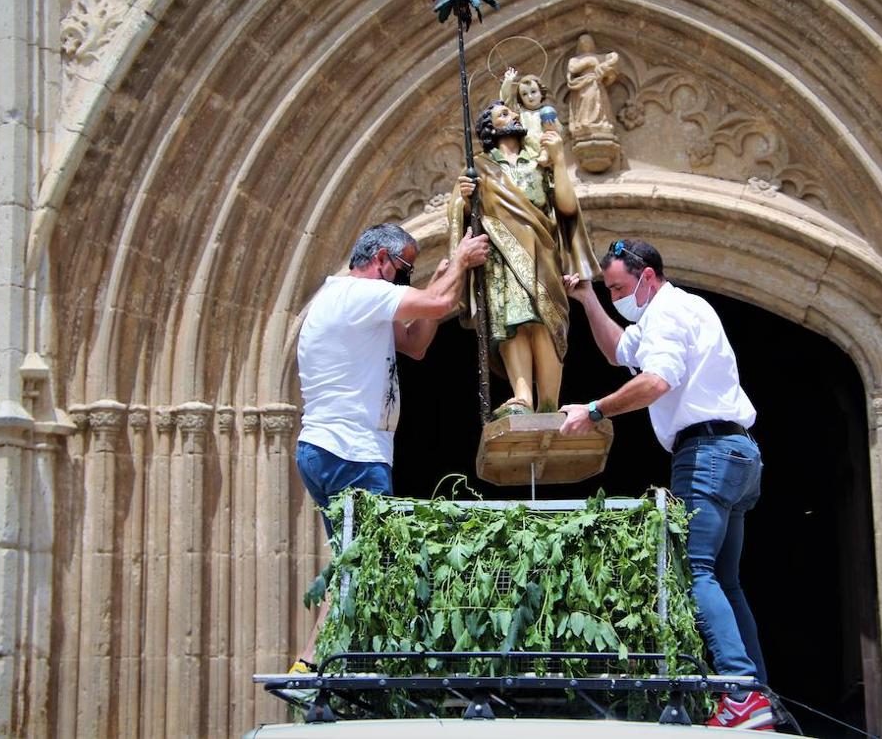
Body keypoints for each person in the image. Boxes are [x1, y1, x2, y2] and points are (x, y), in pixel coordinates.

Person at [558, 238, 774, 731]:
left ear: (647, 277)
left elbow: (657, 381)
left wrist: (594, 411)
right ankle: (758, 695)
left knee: (693, 572)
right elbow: (618, 352)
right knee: (724, 580)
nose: (616, 297)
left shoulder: (669, 315)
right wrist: (588, 297)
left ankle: (738, 689)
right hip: (737, 455)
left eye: (617, 288)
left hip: (707, 456)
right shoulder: (671, 312)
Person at [295, 222, 489, 534]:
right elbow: (439, 302)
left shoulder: (344, 298)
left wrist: (441, 281)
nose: (406, 279)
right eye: (406, 268)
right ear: (382, 258)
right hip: (351, 452)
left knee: (351, 563)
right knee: (373, 564)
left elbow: (415, 344)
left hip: (326, 449)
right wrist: (461, 261)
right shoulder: (362, 292)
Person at [450, 100, 598, 415]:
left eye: (514, 112)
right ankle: (522, 397)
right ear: (489, 128)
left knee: (547, 321)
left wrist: (558, 161)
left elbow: (567, 208)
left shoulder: (539, 163)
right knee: (513, 322)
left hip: (543, 252)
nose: (515, 115)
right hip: (503, 256)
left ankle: (548, 402)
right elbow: (462, 216)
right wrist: (464, 201)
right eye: (504, 114)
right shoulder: (480, 167)